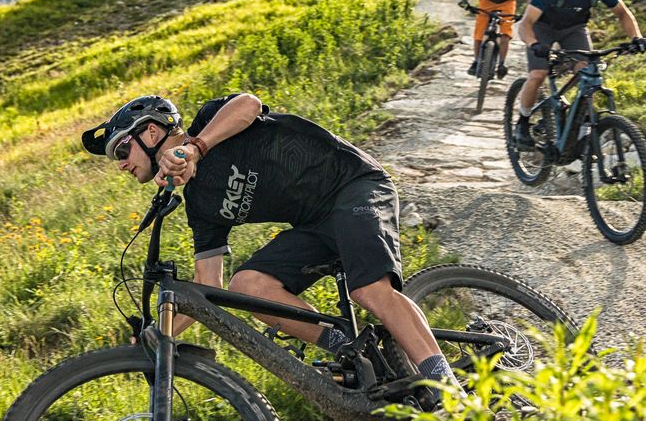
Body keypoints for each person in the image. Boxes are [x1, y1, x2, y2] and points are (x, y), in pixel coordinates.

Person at [81, 92, 457, 391]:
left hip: (353, 186)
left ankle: (448, 389)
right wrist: (155, 335)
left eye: (122, 150)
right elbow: (207, 287)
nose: (121, 164)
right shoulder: (200, 205)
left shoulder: (213, 121)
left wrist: (197, 147)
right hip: (314, 223)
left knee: (369, 291)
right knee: (248, 287)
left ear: (150, 132)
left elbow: (249, 104)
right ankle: (349, 349)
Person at [512, 0, 646, 147]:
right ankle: (523, 122)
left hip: (573, 28)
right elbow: (526, 23)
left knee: (586, 72)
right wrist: (534, 45)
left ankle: (577, 123)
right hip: (542, 27)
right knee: (538, 74)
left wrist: (636, 38)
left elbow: (622, 13)